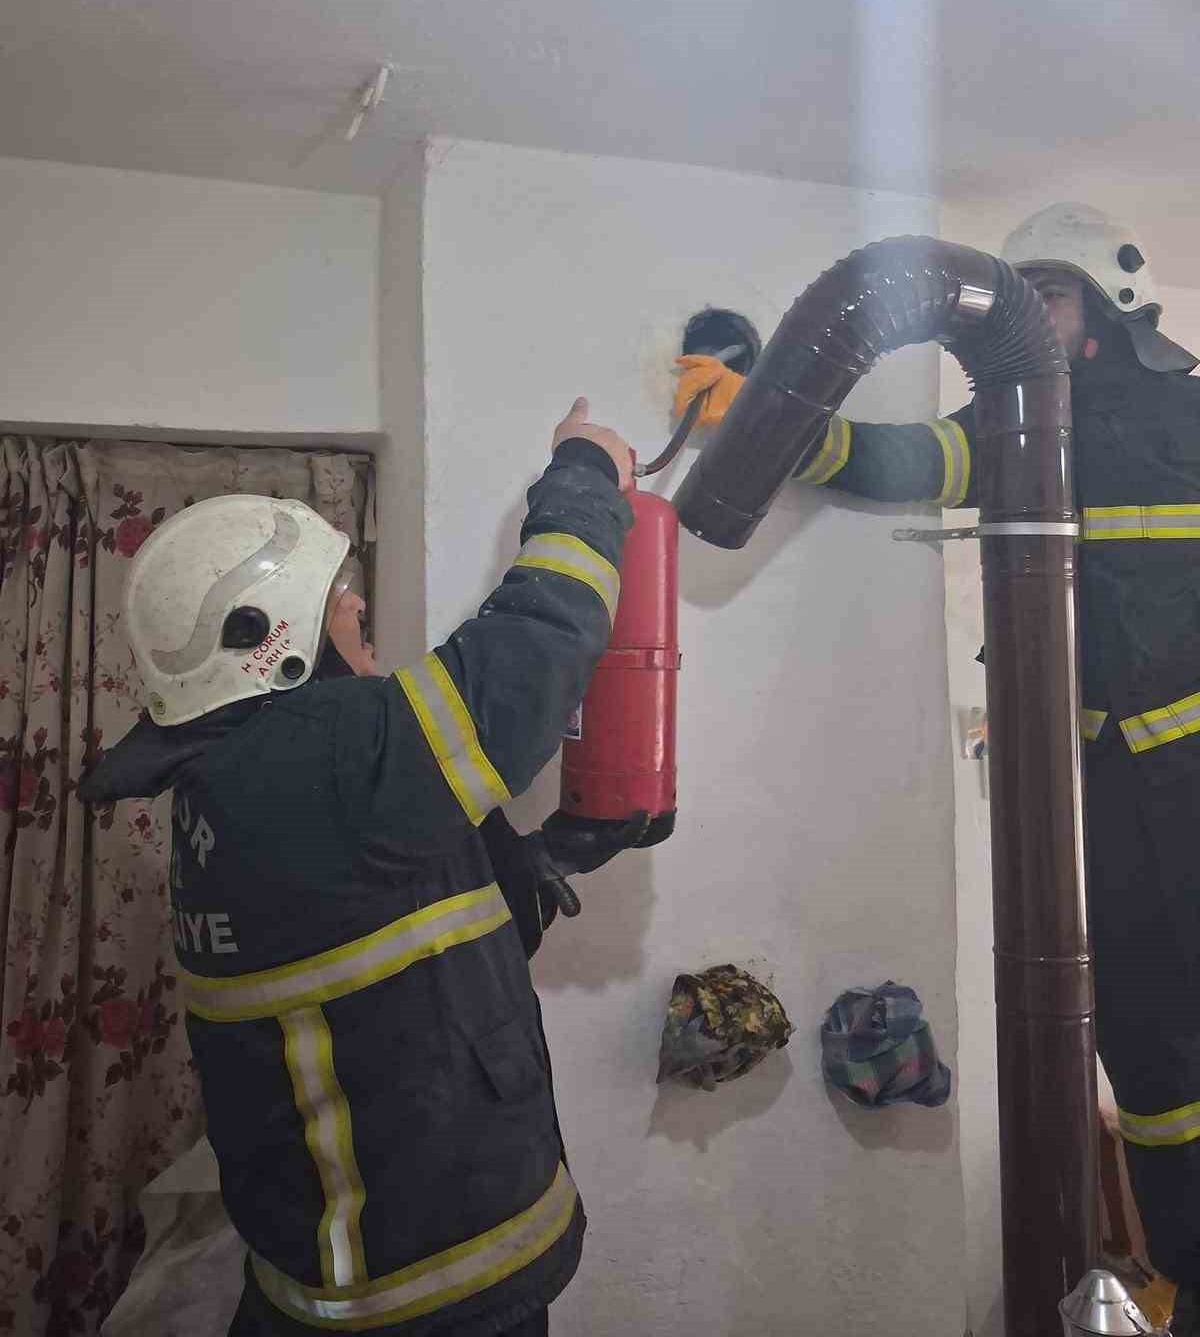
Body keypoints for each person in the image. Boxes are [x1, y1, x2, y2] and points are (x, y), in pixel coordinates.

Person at [678, 203, 1200, 1330]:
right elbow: (909, 459)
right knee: (1146, 1048)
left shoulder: (1194, 413)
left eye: (1048, 298)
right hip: (1107, 804)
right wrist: (775, 415)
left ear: (1110, 302)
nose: (1030, 323)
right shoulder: (1026, 423)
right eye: (1021, 302)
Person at [81, 398, 651, 1337]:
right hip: (426, 1293)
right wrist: (585, 474)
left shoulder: (235, 785)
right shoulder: (311, 755)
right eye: (347, 616)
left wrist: (541, 859)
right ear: (275, 643)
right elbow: (529, 659)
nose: (369, 636)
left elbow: (391, 941)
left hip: (367, 1273)